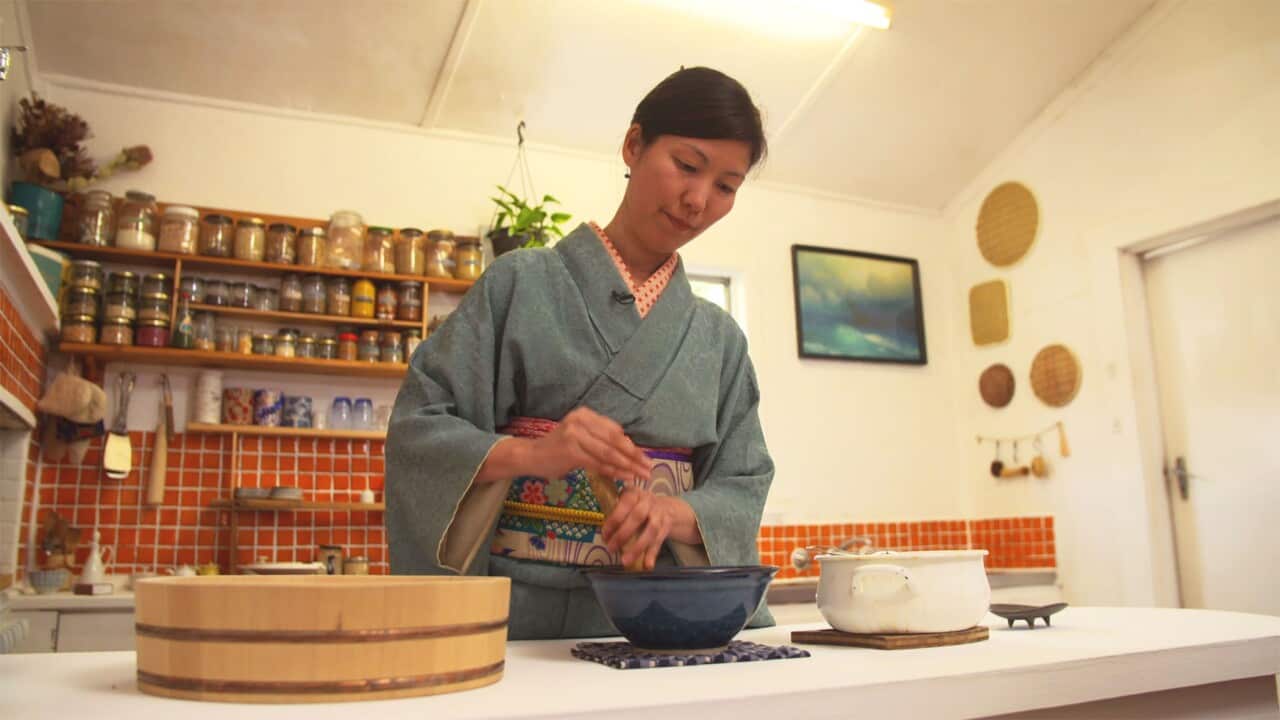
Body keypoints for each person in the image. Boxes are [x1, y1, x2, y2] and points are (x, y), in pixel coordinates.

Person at [385, 66, 775, 640]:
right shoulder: (518, 283)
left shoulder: (719, 339)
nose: (697, 200)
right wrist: (533, 455)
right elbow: (418, 428)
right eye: (688, 167)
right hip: (513, 613)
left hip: (659, 617)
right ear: (634, 144)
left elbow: (744, 479)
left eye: (726, 186)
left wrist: (675, 512)